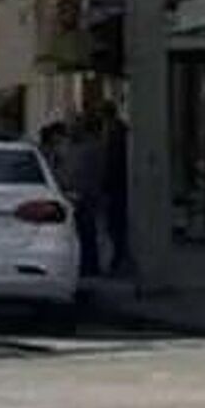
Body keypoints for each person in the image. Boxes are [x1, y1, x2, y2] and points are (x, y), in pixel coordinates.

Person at [66, 110, 105, 278]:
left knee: (87, 232)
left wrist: (90, 192)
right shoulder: (72, 147)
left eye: (74, 127)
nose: (71, 130)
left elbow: (96, 172)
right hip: (74, 195)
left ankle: (90, 266)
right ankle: (83, 265)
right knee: (80, 233)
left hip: (87, 195)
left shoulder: (92, 147)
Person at [99, 101, 131, 276]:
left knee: (115, 224)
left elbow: (112, 161)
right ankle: (118, 258)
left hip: (116, 185)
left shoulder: (115, 132)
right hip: (117, 184)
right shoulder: (116, 130)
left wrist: (105, 184)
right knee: (115, 224)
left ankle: (119, 259)